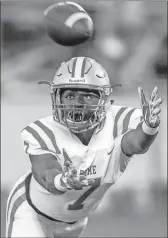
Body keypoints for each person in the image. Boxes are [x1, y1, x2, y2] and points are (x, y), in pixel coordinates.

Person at [6, 57, 162, 237]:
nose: (78, 103)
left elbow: (135, 143)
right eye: (70, 95)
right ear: (58, 98)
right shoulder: (43, 131)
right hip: (31, 211)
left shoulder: (118, 121)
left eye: (87, 95)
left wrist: (149, 127)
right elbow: (45, 171)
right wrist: (62, 181)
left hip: (75, 222)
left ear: (103, 98)